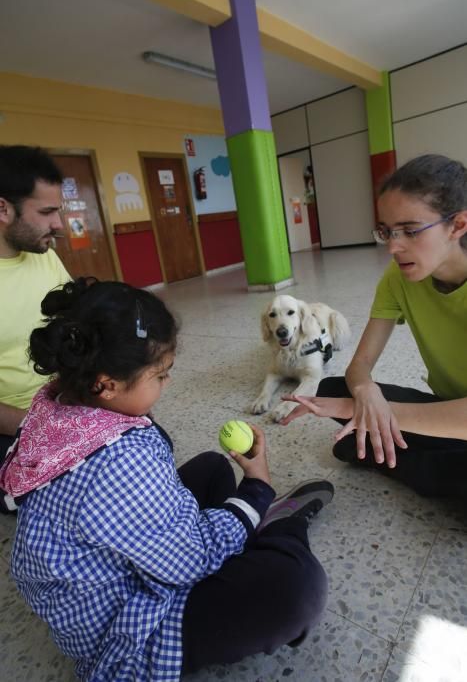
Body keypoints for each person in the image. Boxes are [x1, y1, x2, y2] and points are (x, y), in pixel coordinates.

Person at [0, 278, 333, 681]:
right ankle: (280, 524)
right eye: (160, 375)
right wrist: (257, 488)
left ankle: (246, 525)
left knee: (211, 466)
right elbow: (187, 561)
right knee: (296, 587)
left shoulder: (53, 402)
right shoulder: (120, 461)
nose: (168, 383)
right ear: (106, 385)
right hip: (125, 630)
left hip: (95, 572)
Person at [281, 153, 467, 498]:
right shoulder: (399, 277)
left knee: (347, 406)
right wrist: (365, 393)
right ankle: (403, 451)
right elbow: (361, 364)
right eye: (387, 231)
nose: (394, 247)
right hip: (446, 407)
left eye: (410, 231)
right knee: (333, 389)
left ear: (457, 225)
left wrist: (356, 411)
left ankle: (386, 454)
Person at [0, 145, 70, 463]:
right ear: (3, 210)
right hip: (13, 425)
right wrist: (44, 427)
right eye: (46, 213)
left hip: (65, 400)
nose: (59, 224)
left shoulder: (47, 258)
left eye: (58, 210)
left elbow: (80, 326)